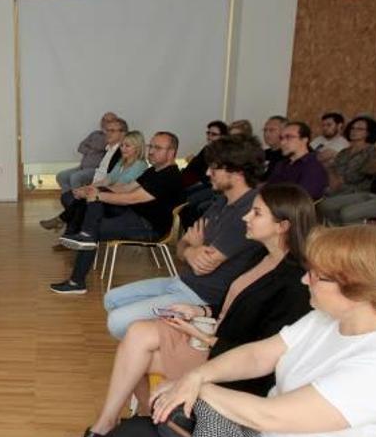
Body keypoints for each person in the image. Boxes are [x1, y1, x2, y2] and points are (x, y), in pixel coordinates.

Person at [15, 225, 376, 437]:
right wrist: (197, 377)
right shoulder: (326, 320)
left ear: (357, 288)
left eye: (318, 276)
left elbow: (271, 414)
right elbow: (260, 355)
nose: (305, 279)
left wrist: (196, 387)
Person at [63, 184, 315, 437]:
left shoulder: (295, 281)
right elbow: (238, 306)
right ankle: (130, 423)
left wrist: (203, 335)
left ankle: (118, 425)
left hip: (231, 358)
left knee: (133, 354)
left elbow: (261, 352)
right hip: (215, 334)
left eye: (256, 213)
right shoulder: (260, 256)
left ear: (282, 225)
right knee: (134, 333)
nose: (246, 218)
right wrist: (201, 312)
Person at [102, 135, 264, 338]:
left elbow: (203, 263)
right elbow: (183, 244)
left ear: (237, 172)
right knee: (111, 299)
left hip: (201, 296)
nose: (207, 173)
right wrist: (191, 249)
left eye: (214, 168)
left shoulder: (249, 212)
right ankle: (149, 345)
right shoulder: (223, 201)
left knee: (117, 321)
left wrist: (192, 249)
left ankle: (151, 348)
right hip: (183, 281)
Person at [48, 131, 184, 294]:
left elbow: (132, 198)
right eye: (151, 146)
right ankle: (82, 241)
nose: (151, 151)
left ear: (171, 152)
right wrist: (94, 189)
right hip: (134, 216)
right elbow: (125, 188)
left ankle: (77, 279)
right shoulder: (154, 170)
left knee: (92, 230)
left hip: (148, 227)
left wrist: (97, 194)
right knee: (94, 214)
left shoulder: (170, 176)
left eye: (158, 148)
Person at [52, 130, 149, 238]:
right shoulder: (121, 162)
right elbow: (107, 180)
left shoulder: (140, 165)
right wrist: (87, 187)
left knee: (85, 199)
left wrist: (89, 191)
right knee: (81, 198)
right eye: (122, 145)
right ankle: (71, 233)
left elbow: (119, 187)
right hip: (110, 195)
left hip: (122, 203)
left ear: (137, 147)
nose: (123, 149)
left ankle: (67, 226)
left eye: (127, 146)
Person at [41, 118, 128, 231]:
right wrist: (88, 187)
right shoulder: (109, 148)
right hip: (97, 184)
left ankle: (65, 226)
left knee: (75, 197)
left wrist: (90, 188)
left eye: (112, 131)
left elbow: (112, 180)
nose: (107, 133)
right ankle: (69, 230)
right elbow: (81, 147)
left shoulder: (121, 153)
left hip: (105, 190)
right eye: (107, 130)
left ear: (123, 133)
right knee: (68, 195)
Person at [319, 147, 376, 225]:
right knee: (326, 205)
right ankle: (339, 229)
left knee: (347, 214)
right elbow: (368, 168)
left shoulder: (372, 150)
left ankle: (357, 231)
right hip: (370, 193)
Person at [179, 121, 229, 230]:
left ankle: (192, 233)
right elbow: (193, 168)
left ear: (223, 136)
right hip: (193, 182)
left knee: (187, 202)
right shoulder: (207, 149)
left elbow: (205, 177)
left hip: (207, 186)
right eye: (208, 133)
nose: (209, 137)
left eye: (214, 134)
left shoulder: (224, 153)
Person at [54, 112, 119, 193]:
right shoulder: (95, 134)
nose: (104, 122)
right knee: (61, 176)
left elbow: (101, 147)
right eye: (103, 120)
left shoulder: (113, 136)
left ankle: (78, 202)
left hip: (95, 169)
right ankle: (69, 199)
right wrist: (91, 150)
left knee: (75, 177)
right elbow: (80, 147)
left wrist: (91, 146)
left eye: (109, 121)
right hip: (82, 167)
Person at [322, 115, 376, 197]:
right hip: (335, 189)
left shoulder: (371, 151)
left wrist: (334, 175)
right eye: (352, 128)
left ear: (368, 133)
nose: (354, 131)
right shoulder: (343, 152)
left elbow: (354, 176)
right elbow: (333, 172)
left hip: (356, 193)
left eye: (359, 129)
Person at [265, 121, 328, 199]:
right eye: (281, 138)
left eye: (289, 137)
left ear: (304, 140)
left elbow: (303, 199)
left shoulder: (313, 165)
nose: (283, 142)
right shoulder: (281, 164)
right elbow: (268, 189)